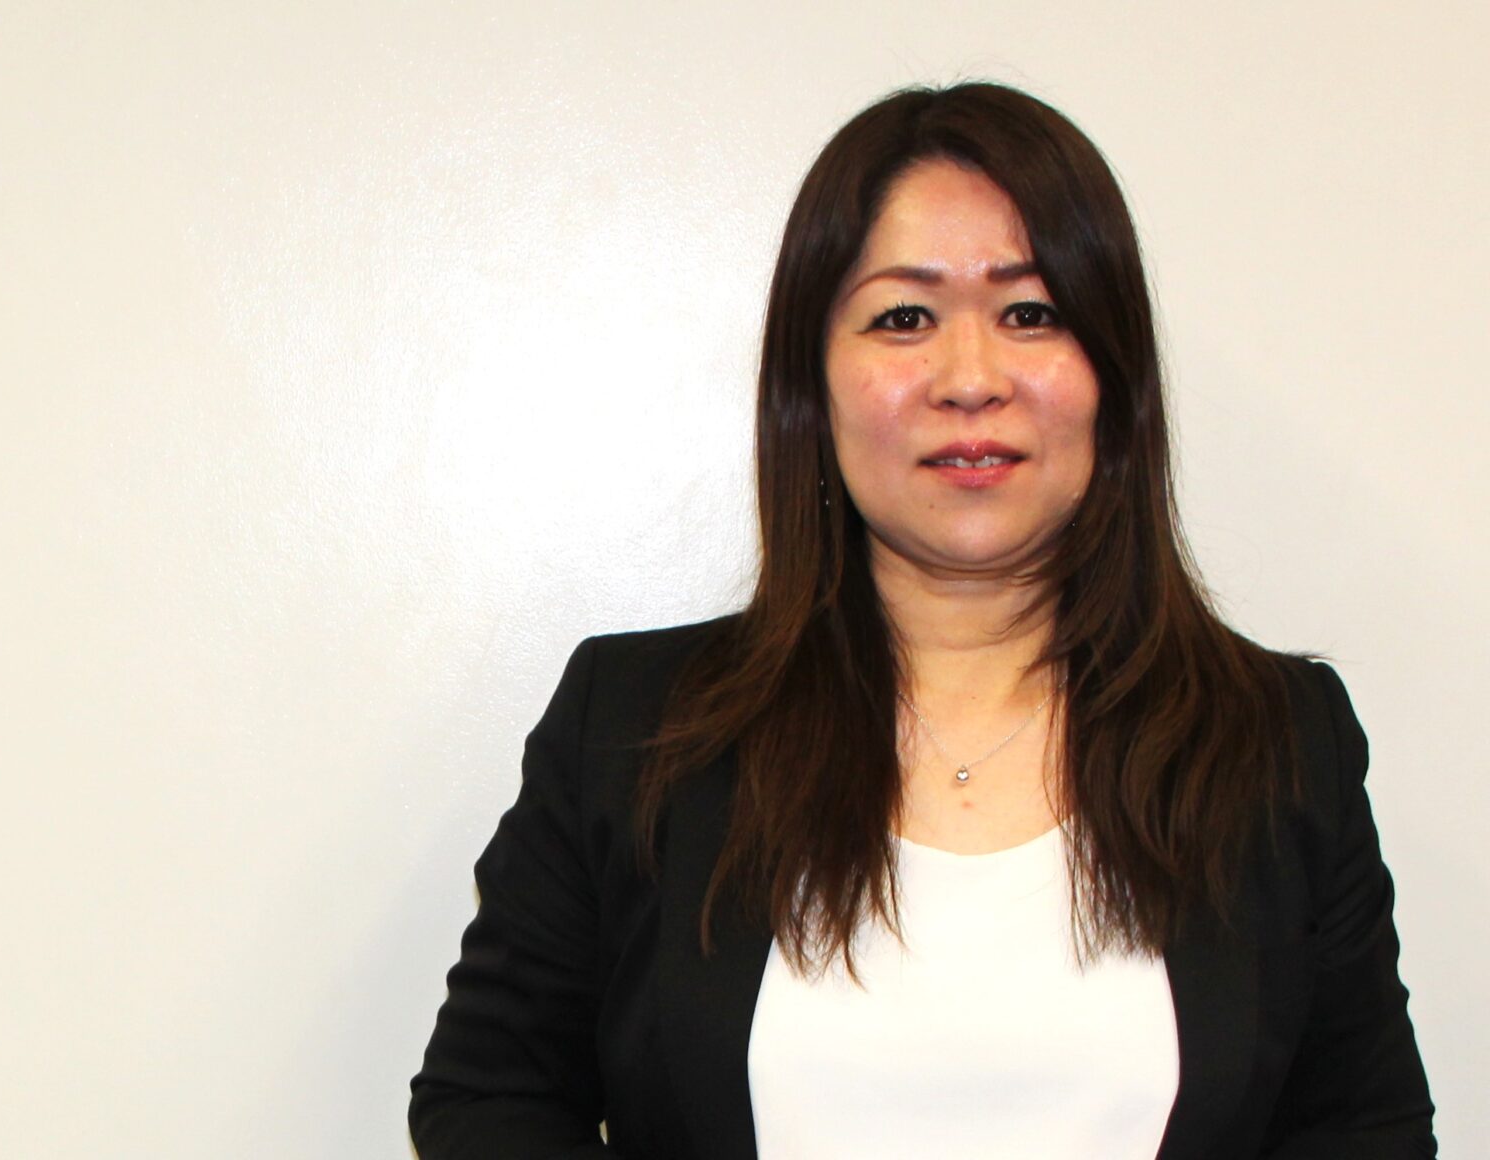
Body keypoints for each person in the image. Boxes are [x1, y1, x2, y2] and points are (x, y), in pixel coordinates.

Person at [408, 81, 1435, 1159]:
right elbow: (489, 1098)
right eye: (904, 317)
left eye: (1030, 312)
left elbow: (1362, 1130)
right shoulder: (635, 727)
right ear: (813, 386)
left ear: (1114, 377)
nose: (970, 379)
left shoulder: (1277, 738)